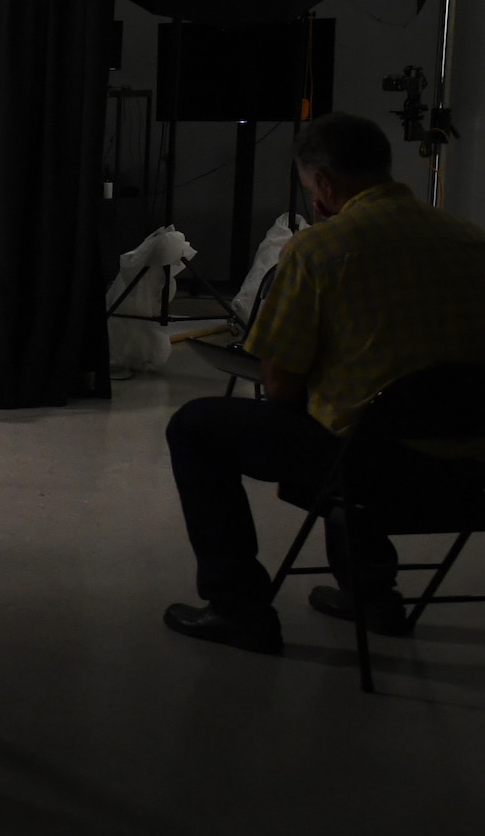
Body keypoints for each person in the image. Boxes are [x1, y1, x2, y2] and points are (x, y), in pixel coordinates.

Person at [162, 113, 485, 654]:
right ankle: (370, 593)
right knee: (362, 410)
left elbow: (282, 386)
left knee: (198, 427)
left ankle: (239, 609)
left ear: (325, 184)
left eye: (311, 187)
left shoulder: (320, 251)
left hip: (376, 473)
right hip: (472, 473)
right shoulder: (473, 242)